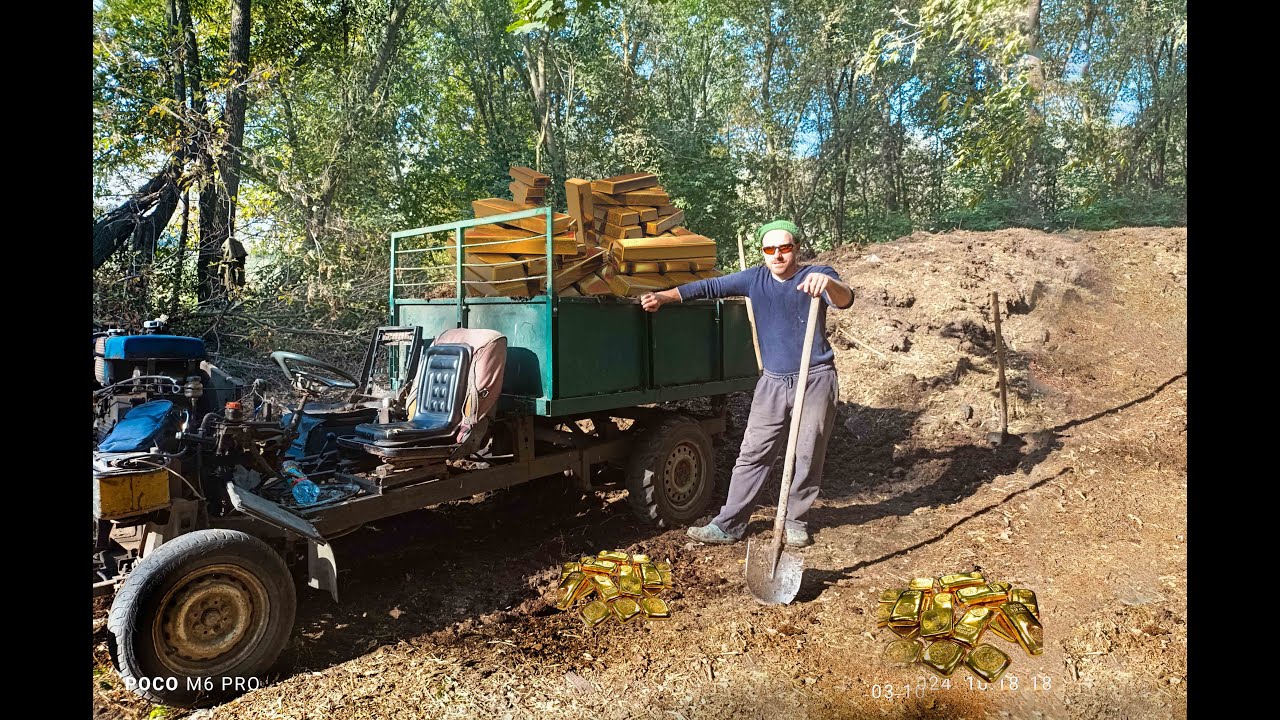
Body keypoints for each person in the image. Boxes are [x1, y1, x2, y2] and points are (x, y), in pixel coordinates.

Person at [640, 220, 854, 547]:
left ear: (796, 247)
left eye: (784, 248)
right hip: (772, 381)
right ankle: (730, 524)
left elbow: (845, 299)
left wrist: (827, 283)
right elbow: (709, 287)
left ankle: (796, 520)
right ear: (762, 252)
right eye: (770, 249)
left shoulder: (816, 275)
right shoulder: (755, 279)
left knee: (807, 453)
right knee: (752, 453)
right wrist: (664, 297)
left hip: (815, 378)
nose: (778, 255)